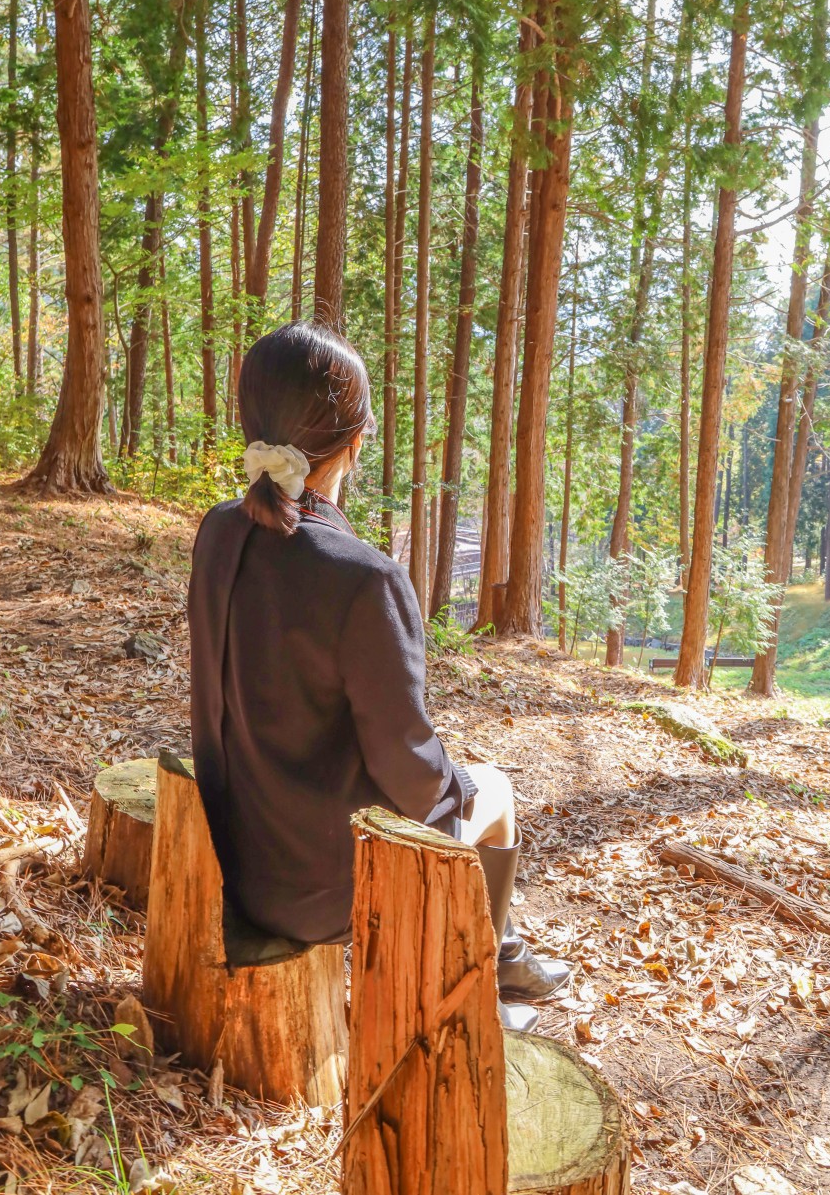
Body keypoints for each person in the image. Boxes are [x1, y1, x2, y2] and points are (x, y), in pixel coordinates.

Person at [188, 320, 569, 1030]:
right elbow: (414, 774)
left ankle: (502, 957)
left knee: (467, 790)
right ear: (356, 442)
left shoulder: (215, 532)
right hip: (323, 888)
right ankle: (476, 988)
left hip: (231, 854)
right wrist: (461, 781)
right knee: (499, 792)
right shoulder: (366, 579)